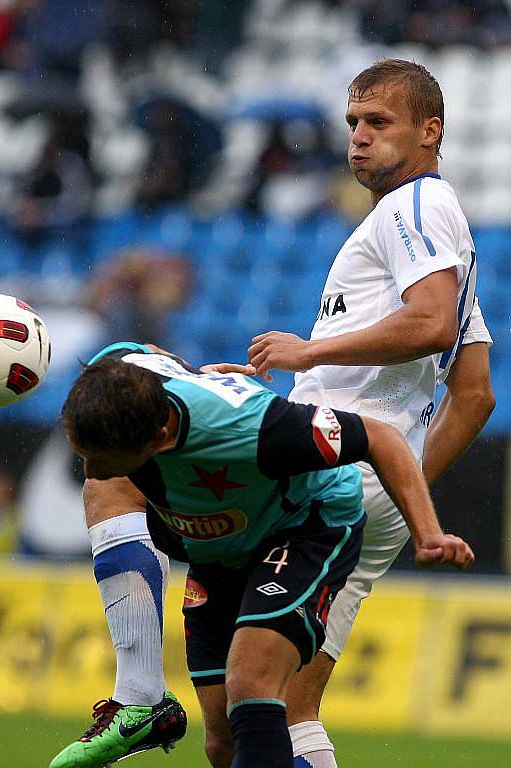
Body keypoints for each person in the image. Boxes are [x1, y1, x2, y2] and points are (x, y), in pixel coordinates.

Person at [50, 341, 474, 768]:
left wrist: (428, 534)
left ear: (160, 436)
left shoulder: (252, 426)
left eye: (106, 458)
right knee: (222, 742)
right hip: (224, 543)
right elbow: (143, 351)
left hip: (304, 529)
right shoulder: (117, 371)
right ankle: (140, 698)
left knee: (251, 682)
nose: (92, 469)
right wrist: (197, 374)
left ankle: (142, 699)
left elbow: (380, 437)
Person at [241, 59, 495, 768]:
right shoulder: (447, 238)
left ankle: (134, 688)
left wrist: (308, 356)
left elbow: (430, 326)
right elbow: (473, 393)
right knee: (291, 706)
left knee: (246, 694)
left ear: (429, 131)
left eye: (377, 123)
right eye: (352, 123)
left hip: (330, 472)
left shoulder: (412, 210)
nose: (358, 138)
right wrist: (401, 478)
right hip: (373, 483)